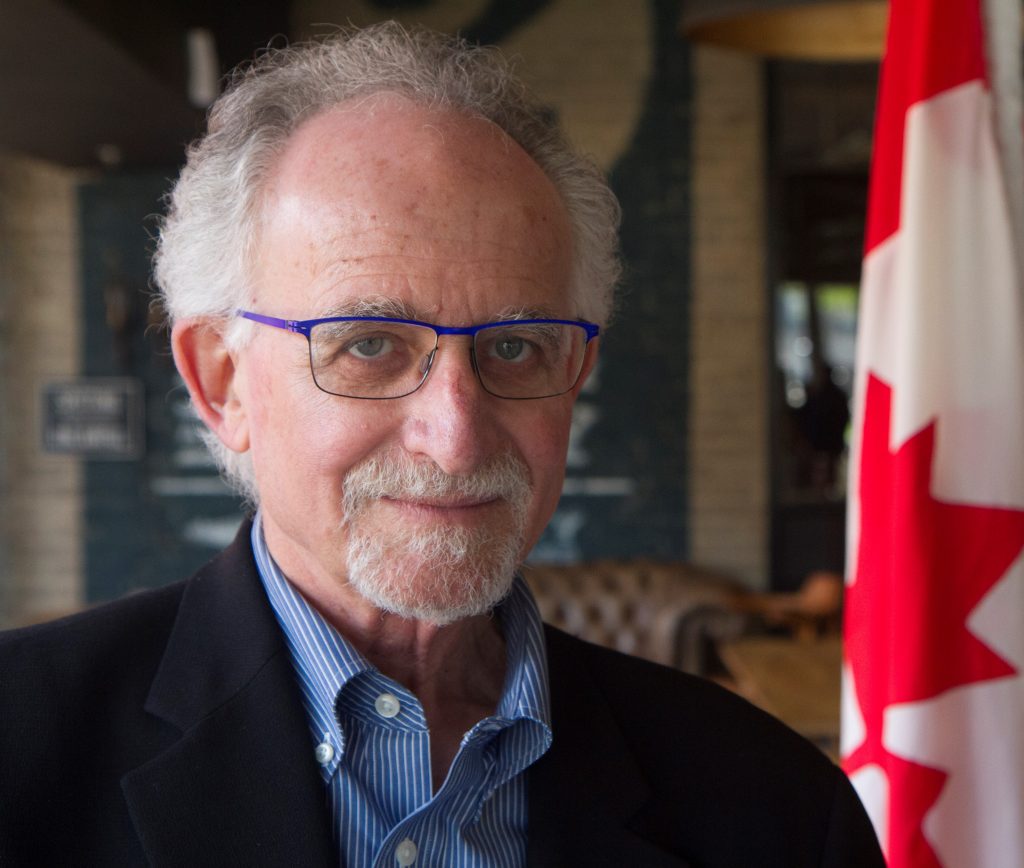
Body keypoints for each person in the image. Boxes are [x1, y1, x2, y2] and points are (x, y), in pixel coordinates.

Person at [0, 23, 884, 867]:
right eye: (368, 345)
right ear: (223, 382)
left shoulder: (775, 809)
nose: (455, 438)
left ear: (575, 373)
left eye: (516, 346)